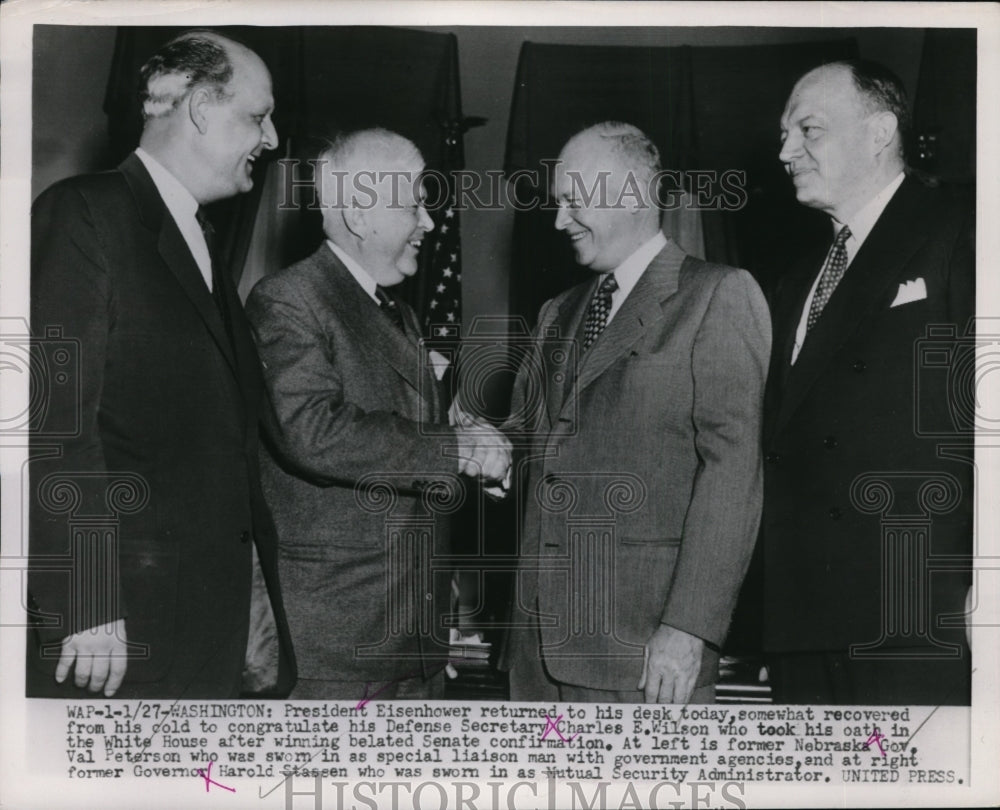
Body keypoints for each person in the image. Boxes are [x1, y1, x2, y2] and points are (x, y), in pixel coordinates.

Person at [28, 31, 295, 698]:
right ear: (202, 109)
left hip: (202, 621)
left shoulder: (195, 238)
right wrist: (86, 600)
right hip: (120, 629)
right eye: (258, 116)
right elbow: (55, 424)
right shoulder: (86, 213)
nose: (272, 138)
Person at [495, 122, 771, 703]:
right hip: (535, 653)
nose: (558, 219)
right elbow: (528, 445)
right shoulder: (556, 312)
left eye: (574, 201)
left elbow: (733, 474)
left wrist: (689, 627)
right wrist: (481, 447)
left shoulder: (716, 294)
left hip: (644, 654)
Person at [245, 128, 510, 700]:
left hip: (414, 642)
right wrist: (454, 448)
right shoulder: (289, 299)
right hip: (335, 646)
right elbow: (312, 431)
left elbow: (409, 459)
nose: (429, 223)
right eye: (415, 203)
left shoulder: (400, 315)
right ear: (363, 215)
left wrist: (469, 443)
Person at [763, 60, 974, 704]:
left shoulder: (962, 231)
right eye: (783, 134)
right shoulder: (795, 280)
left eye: (809, 130)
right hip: (804, 623)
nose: (785, 151)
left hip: (920, 611)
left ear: (881, 131)